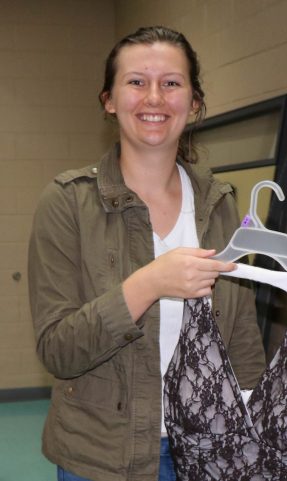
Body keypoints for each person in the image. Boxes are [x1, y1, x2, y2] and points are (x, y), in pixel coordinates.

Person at [27, 26, 266, 481]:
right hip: (101, 460)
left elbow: (243, 334)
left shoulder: (221, 202)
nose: (154, 98)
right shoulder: (67, 202)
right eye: (136, 82)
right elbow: (57, 350)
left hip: (206, 450)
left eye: (171, 83)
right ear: (109, 100)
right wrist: (149, 283)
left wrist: (254, 432)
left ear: (193, 102)